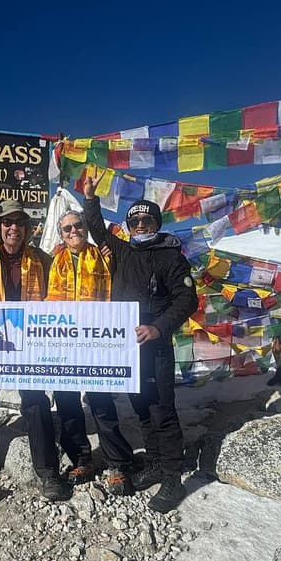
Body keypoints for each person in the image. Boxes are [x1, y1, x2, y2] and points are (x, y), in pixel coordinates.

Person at [81, 172, 199, 513]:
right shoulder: (123, 249)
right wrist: (90, 198)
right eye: (134, 221)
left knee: (162, 409)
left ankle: (174, 476)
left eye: (147, 220)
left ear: (156, 223)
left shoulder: (170, 257)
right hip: (126, 349)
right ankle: (158, 463)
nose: (140, 225)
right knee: (142, 407)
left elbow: (186, 300)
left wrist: (159, 328)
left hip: (155, 345)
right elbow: (98, 228)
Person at [0, 199, 70, 501]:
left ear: (27, 229)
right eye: (8, 222)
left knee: (34, 400)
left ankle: (47, 471)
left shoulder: (43, 260)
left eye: (20, 223)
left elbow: (59, 291)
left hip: (30, 338)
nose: (14, 228)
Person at [45, 210, 134, 495]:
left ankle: (117, 462)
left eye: (78, 226)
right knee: (67, 402)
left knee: (100, 401)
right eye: (67, 228)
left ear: (86, 227)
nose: (73, 231)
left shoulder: (104, 255)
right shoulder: (53, 261)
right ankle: (81, 458)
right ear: (61, 234)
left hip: (97, 340)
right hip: (63, 342)